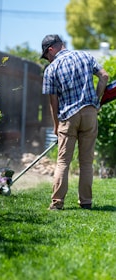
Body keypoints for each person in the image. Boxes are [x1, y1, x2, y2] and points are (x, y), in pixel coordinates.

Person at [41, 34, 109, 210]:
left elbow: (53, 102)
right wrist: (96, 100)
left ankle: (57, 203)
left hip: (68, 117)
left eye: (46, 56)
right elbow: (104, 76)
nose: (47, 60)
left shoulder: (51, 69)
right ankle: (86, 202)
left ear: (51, 50)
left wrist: (56, 126)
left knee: (63, 162)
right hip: (89, 113)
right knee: (86, 162)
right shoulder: (85, 56)